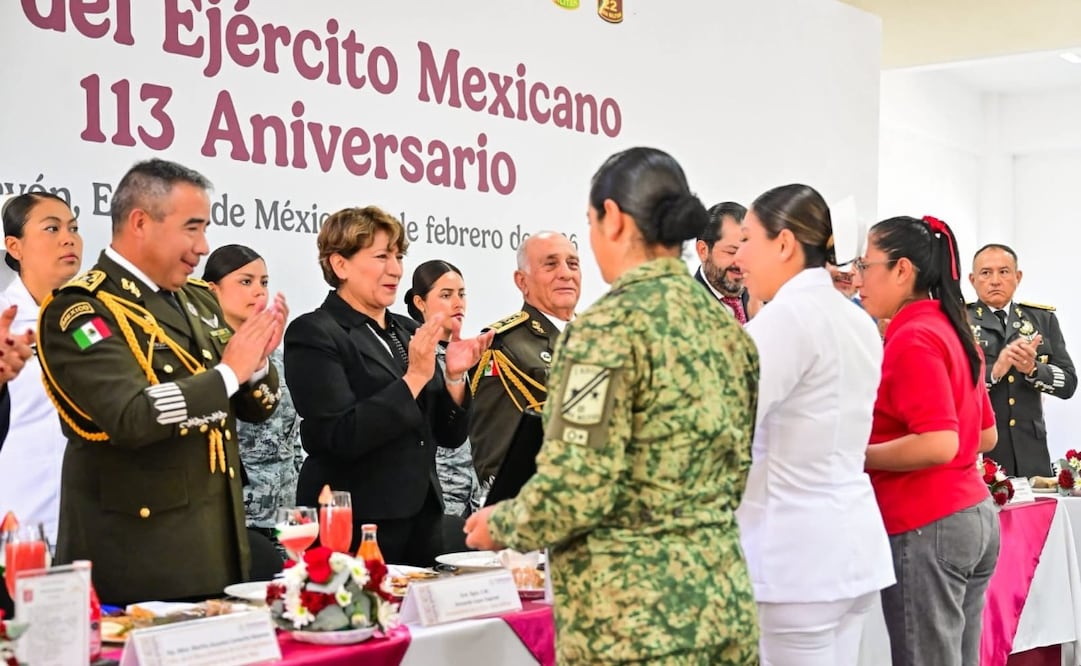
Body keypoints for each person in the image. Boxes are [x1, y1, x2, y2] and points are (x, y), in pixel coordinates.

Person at [466, 147, 759, 665]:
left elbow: (578, 486)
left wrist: (503, 524)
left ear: (615, 220)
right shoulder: (729, 333)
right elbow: (736, 473)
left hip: (633, 621)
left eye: (590, 224)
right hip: (723, 605)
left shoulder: (604, 332)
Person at [37, 158, 286, 604]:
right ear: (140, 222)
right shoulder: (80, 310)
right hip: (139, 564)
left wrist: (258, 362)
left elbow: (255, 407)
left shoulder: (197, 301)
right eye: (192, 228)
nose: (204, 245)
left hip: (217, 551)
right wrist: (229, 371)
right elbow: (130, 416)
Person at [733, 184, 894, 664]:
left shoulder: (785, 319)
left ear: (783, 244)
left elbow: (726, 427)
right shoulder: (857, 319)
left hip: (795, 559)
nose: (740, 256)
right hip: (849, 548)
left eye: (747, 239)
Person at [284, 206, 492, 566]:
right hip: (352, 523)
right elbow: (341, 435)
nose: (395, 269)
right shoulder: (315, 332)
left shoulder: (408, 330)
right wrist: (414, 378)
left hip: (421, 516)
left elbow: (449, 435)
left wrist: (455, 376)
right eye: (381, 256)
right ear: (340, 265)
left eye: (398, 256)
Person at [853, 215, 999, 666]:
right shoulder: (950, 327)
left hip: (928, 522)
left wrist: (857, 454)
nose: (858, 279)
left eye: (865, 264)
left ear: (902, 270)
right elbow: (985, 435)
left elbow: (938, 443)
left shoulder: (913, 336)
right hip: (971, 516)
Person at [204, 244, 303, 562]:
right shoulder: (206, 355)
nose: (258, 292)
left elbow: (293, 435)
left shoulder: (275, 354)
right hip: (236, 517)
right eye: (245, 282)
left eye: (263, 282)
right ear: (212, 289)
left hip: (285, 516)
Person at [469, 231, 581, 493]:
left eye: (572, 264)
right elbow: (497, 458)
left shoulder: (601, 339)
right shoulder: (503, 346)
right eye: (551, 264)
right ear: (522, 281)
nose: (565, 273)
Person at [0, 192, 82, 545]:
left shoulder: (91, 319)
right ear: (14, 247)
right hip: (17, 514)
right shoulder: (5, 319)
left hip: (87, 518)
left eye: (73, 228)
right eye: (51, 228)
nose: (69, 238)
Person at [967, 243, 1076, 477]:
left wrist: (1034, 370)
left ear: (1018, 277)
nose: (995, 280)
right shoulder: (958, 320)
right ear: (972, 279)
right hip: (981, 454)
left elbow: (1068, 384)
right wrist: (993, 372)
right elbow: (947, 386)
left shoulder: (1041, 319)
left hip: (1032, 455)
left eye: (1004, 272)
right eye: (986, 273)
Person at [405, 260, 482, 519]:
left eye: (462, 294)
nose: (458, 303)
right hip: (434, 500)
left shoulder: (465, 355)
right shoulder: (412, 357)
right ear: (420, 302)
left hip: (472, 499)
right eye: (446, 295)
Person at [695, 201, 751, 323]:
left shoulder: (766, 298)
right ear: (703, 250)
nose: (742, 262)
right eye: (732, 252)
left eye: (748, 252)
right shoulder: (682, 307)